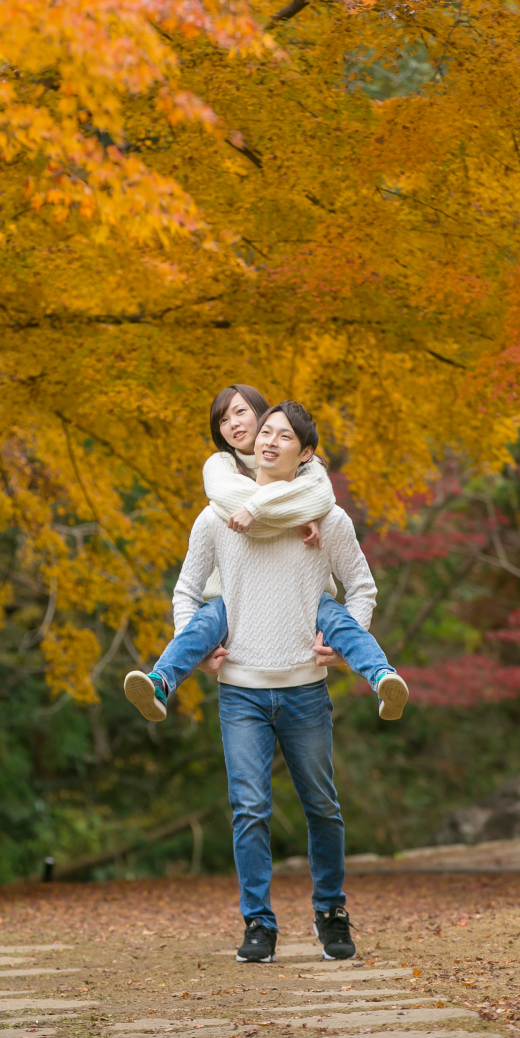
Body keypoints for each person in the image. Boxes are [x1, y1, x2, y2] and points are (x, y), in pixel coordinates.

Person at [150, 400, 380, 963]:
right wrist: (199, 646)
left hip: (305, 689)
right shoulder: (216, 518)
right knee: (248, 808)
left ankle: (331, 912)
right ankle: (258, 923)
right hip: (241, 691)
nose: (269, 441)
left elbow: (362, 587)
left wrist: (344, 651)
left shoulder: (326, 520)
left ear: (305, 454)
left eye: (285, 437)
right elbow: (187, 589)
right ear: (250, 444)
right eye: (265, 432)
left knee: (322, 807)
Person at [124, 384, 408, 725]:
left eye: (241, 412)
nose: (233, 424)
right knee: (203, 624)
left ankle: (382, 677)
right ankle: (160, 682)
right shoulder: (220, 467)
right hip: (232, 597)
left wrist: (310, 513)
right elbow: (239, 500)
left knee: (336, 619)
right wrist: (295, 513)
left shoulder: (304, 465)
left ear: (264, 416)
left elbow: (319, 493)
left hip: (301, 601)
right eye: (223, 420)